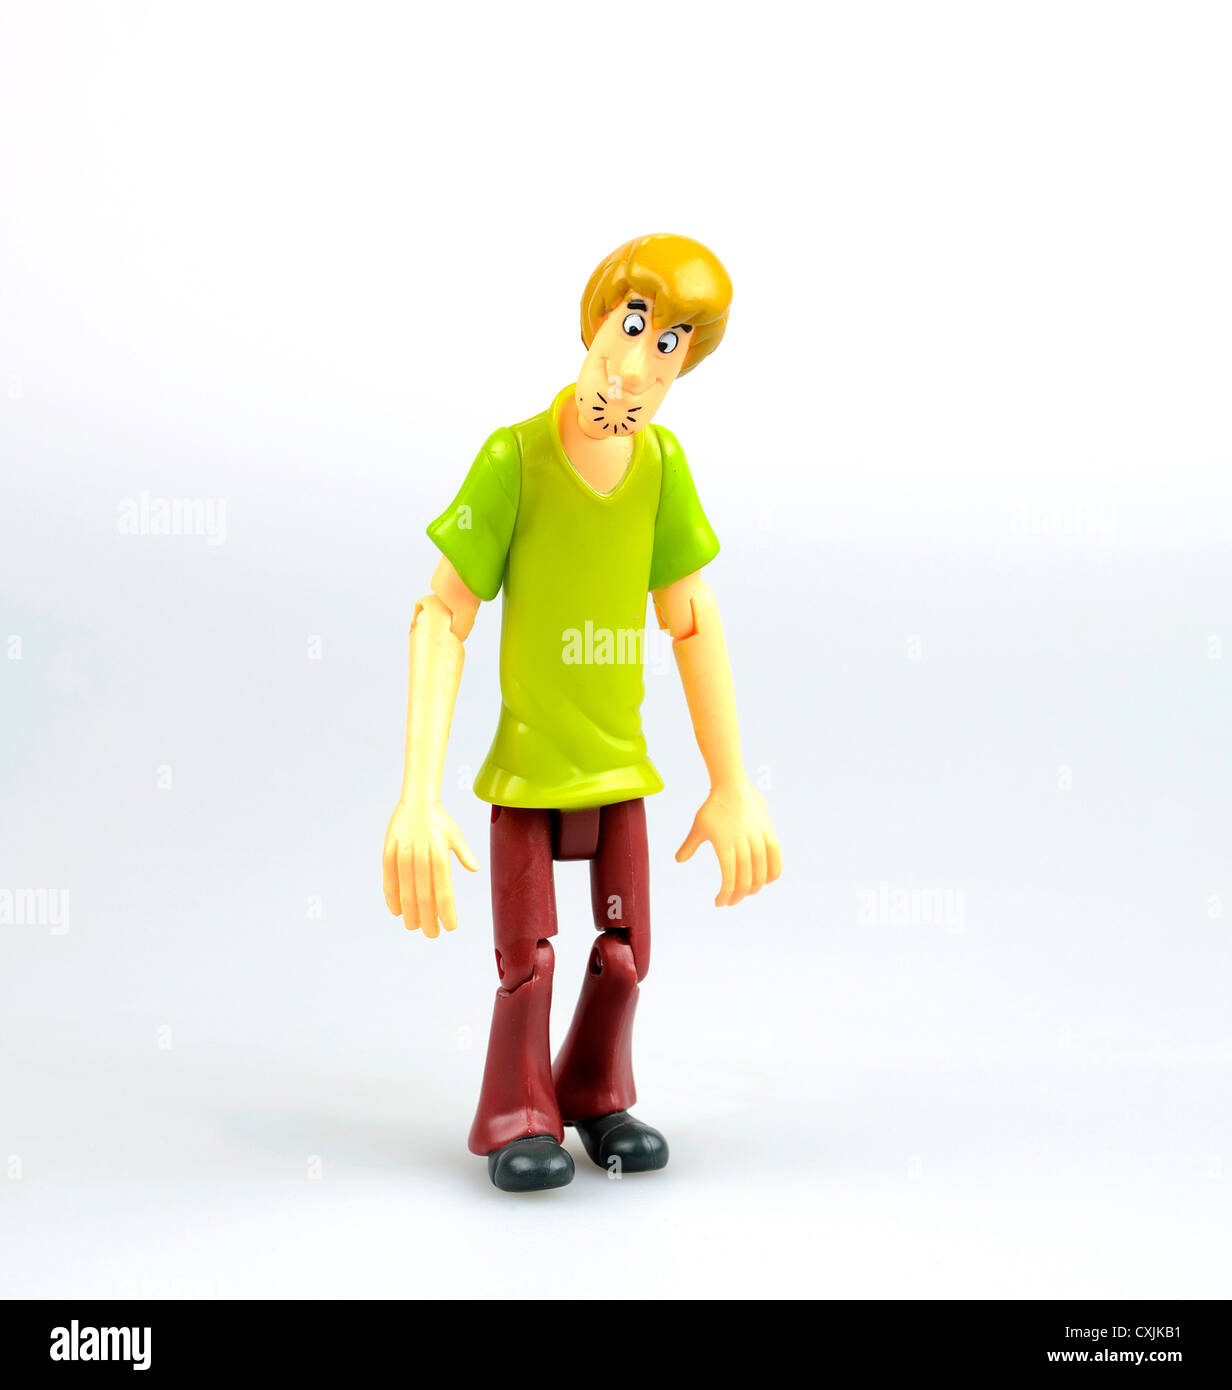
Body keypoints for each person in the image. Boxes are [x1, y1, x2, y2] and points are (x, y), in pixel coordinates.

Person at [382, 233, 782, 1192]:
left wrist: (732, 782)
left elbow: (691, 616)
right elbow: (443, 614)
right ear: (599, 319)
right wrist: (417, 797)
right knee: (529, 962)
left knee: (626, 955)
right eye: (635, 325)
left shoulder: (662, 467)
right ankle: (516, 1111)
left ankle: (595, 1092)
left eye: (670, 344)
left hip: (617, 773)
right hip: (527, 774)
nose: (639, 366)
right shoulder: (513, 458)